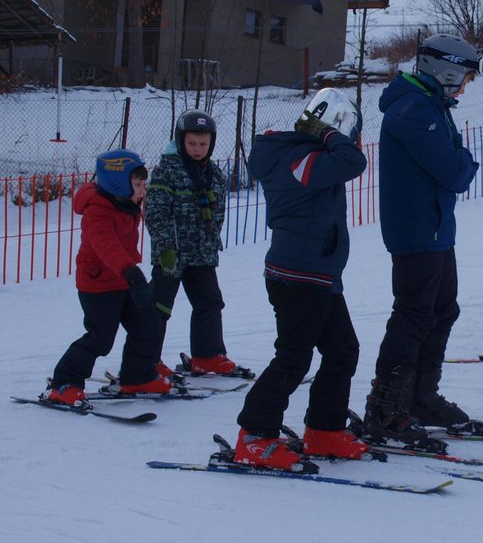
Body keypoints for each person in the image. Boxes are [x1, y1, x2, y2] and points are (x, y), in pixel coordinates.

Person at [232, 89, 370, 470]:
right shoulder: (300, 159)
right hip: (299, 276)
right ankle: (254, 436)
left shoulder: (300, 155)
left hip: (318, 273)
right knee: (293, 358)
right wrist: (329, 134)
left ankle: (324, 430)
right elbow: (353, 161)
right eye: (349, 129)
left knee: (343, 350)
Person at [363, 34, 483, 449]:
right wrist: (463, 160)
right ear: (446, 72)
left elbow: (454, 165)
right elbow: (455, 171)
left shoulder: (431, 106)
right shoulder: (413, 110)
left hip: (435, 229)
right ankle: (386, 407)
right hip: (416, 232)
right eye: (465, 78)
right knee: (414, 315)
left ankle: (420, 397)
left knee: (442, 309)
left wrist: (460, 160)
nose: (466, 87)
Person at [45, 150, 171, 407]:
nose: (142, 191)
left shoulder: (125, 202)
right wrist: (133, 274)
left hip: (123, 280)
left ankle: (138, 377)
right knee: (100, 338)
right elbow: (107, 247)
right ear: (118, 183)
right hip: (98, 284)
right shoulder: (98, 210)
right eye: (137, 185)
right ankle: (64, 383)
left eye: (143, 185)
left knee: (148, 324)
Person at [146, 109, 247, 377]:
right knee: (158, 307)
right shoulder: (167, 172)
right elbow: (156, 213)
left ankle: (208, 355)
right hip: (172, 254)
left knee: (210, 303)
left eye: (203, 144)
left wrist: (212, 239)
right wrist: (165, 247)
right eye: (191, 143)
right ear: (181, 141)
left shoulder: (213, 173)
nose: (197, 149)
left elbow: (219, 211)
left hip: (202, 253)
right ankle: (145, 360)